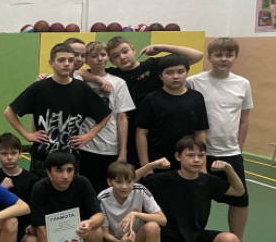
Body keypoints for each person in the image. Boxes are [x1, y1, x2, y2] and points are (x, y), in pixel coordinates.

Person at [186, 37, 260, 242]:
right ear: (209, 57)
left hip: (230, 153)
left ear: (235, 58)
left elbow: (244, 120)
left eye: (229, 55)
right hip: (200, 154)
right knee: (197, 200)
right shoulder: (194, 82)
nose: (224, 59)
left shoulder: (242, 84)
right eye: (218, 55)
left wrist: (239, 147)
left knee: (240, 199)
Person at [141, 136, 244, 242]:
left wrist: (229, 169)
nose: (196, 160)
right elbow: (130, 182)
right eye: (190, 155)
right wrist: (151, 165)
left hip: (195, 237)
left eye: (201, 156)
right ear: (178, 156)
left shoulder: (208, 181)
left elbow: (239, 191)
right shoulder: (163, 180)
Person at [3, 42, 112, 176]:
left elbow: (106, 114)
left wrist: (89, 135)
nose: (67, 64)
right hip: (42, 158)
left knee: (68, 189)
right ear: (51, 63)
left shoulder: (82, 88)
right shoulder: (39, 88)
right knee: (40, 188)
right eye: (61, 60)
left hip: (70, 159)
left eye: (70, 60)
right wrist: (27, 135)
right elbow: (9, 112)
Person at [102, 36, 203, 165]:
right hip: (128, 135)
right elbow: (80, 73)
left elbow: (197, 56)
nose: (122, 57)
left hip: (158, 133)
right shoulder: (111, 75)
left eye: (125, 51)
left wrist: (162, 47)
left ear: (133, 49)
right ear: (111, 60)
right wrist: (97, 79)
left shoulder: (152, 65)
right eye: (116, 56)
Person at [30, 151, 105, 242]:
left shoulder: (83, 183)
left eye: (69, 170)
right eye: (59, 170)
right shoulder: (39, 188)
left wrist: (89, 223)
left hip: (75, 241)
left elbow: (99, 216)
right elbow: (40, 228)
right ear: (49, 172)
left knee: (97, 231)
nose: (65, 176)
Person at [78, 41, 136, 194]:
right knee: (87, 191)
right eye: (93, 56)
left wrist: (123, 152)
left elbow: (122, 118)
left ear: (108, 58)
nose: (99, 59)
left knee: (109, 192)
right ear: (85, 59)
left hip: (110, 147)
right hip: (85, 146)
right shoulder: (79, 80)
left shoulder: (118, 83)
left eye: (103, 55)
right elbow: (72, 71)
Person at [136, 54, 208, 169]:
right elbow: (141, 134)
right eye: (169, 73)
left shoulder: (197, 97)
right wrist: (146, 167)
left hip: (188, 160)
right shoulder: (151, 99)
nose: (175, 76)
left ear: (187, 73)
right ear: (161, 76)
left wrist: (202, 165)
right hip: (159, 161)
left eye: (180, 72)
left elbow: (200, 132)